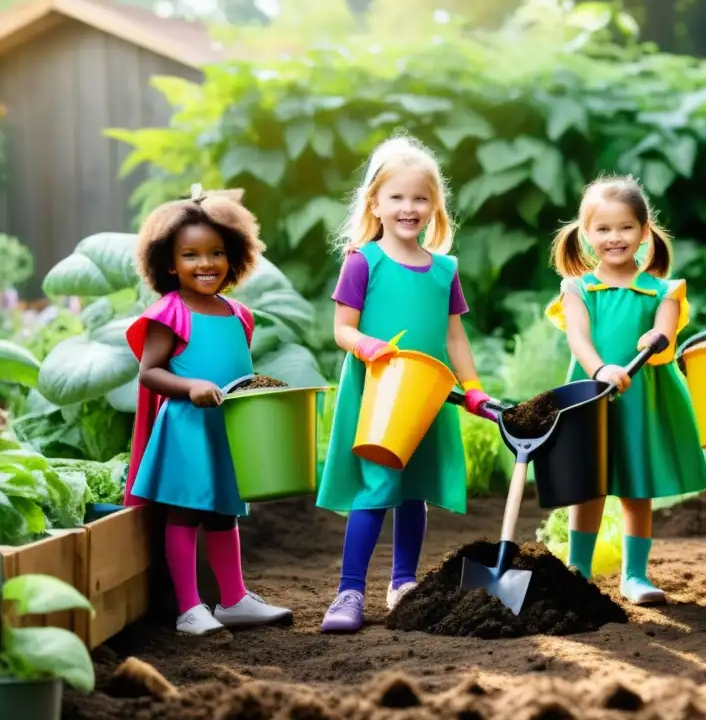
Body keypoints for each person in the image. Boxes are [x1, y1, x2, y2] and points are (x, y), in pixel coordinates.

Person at [317, 135, 497, 633]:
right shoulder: (363, 261)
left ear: (434, 206)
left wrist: (474, 387)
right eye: (396, 197)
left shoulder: (444, 269)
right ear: (375, 202)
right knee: (377, 486)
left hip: (427, 393)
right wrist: (367, 346)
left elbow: (454, 336)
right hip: (380, 393)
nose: (409, 207)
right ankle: (349, 591)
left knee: (412, 488)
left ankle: (403, 584)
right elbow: (341, 329)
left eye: (420, 198)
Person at [124, 185, 292, 636]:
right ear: (168, 263)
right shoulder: (170, 312)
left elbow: (237, 370)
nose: (206, 264)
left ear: (234, 256)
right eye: (191, 255)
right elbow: (150, 373)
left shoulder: (238, 314)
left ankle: (234, 599)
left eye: (216, 252)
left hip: (227, 430)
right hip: (186, 429)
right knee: (184, 512)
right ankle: (189, 608)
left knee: (223, 513)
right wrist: (191, 385)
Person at [544, 175, 706, 605]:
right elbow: (579, 339)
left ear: (643, 231)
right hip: (592, 396)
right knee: (589, 483)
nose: (614, 237)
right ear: (586, 235)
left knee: (635, 486)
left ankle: (634, 575)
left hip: (641, 398)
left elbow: (665, 330)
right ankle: (578, 570)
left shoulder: (663, 290)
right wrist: (600, 368)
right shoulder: (578, 289)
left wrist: (654, 339)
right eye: (602, 229)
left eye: (625, 228)